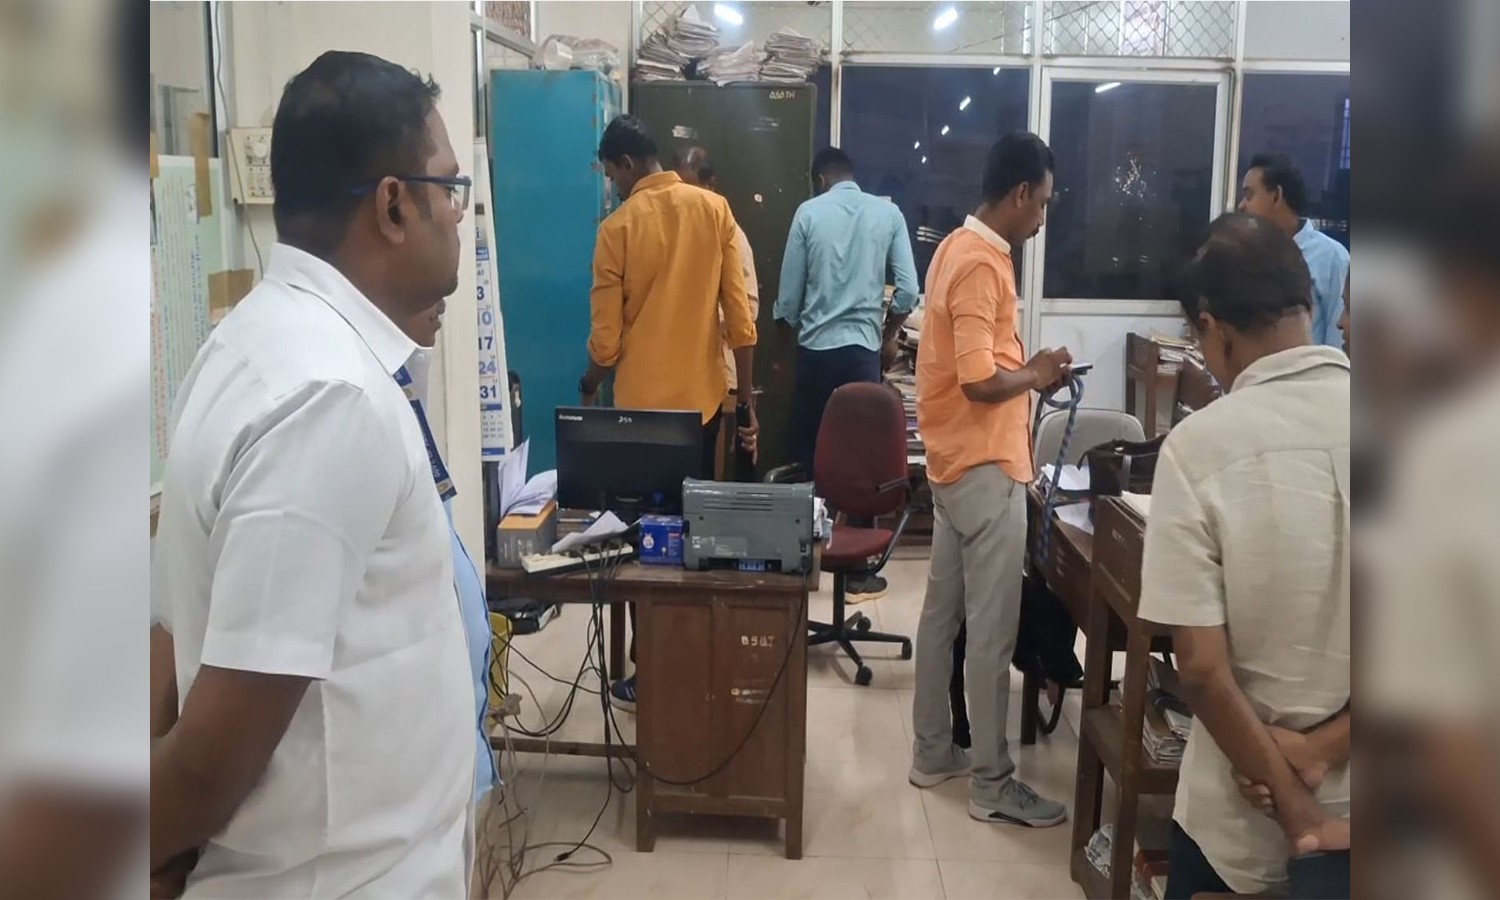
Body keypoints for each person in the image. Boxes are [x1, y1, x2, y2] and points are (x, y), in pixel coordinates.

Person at [149, 51, 477, 898]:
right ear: (393, 205)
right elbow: (209, 762)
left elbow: (170, 634)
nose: (459, 214)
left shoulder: (254, 343)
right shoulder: (329, 399)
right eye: (450, 188)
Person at [1137, 212, 1351, 899]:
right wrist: (1322, 749)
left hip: (1239, 817)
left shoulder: (1199, 448)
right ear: (1308, 303)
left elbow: (1202, 670)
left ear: (1212, 327)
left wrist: (1297, 811)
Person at [907, 132, 1072, 828]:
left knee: (941, 618)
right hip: (985, 468)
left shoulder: (954, 246)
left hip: (953, 464)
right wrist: (1036, 372)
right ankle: (991, 784)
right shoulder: (981, 262)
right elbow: (978, 380)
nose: (1043, 218)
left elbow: (975, 362)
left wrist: (1030, 372)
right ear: (1021, 193)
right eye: (1044, 204)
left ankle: (931, 752)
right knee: (991, 634)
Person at [582, 117, 758, 710]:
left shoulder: (616, 230)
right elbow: (740, 321)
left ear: (627, 165)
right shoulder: (715, 210)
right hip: (700, 411)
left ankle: (649, 671)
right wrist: (746, 403)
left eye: (612, 174)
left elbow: (606, 344)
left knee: (640, 547)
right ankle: (691, 666)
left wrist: (589, 386)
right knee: (692, 540)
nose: (613, 185)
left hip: (638, 419)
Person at [774, 146, 919, 601]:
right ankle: (857, 573)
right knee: (861, 462)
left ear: (820, 179)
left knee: (805, 458)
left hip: (816, 353)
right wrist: (888, 334)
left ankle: (800, 564)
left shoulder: (808, 213)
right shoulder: (887, 215)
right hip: (862, 355)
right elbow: (909, 290)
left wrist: (785, 343)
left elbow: (789, 301)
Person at [672, 146, 760, 480]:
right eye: (680, 187)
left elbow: (747, 307)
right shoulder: (670, 230)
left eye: (693, 186)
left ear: (710, 185)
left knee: (709, 472)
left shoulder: (730, 233)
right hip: (676, 376)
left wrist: (698, 317)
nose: (686, 196)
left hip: (719, 374)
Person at [1238, 152, 1350, 348]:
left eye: (1249, 195)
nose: (1241, 206)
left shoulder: (1331, 256)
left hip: (1311, 367)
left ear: (1276, 196)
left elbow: (1339, 340)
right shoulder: (1252, 254)